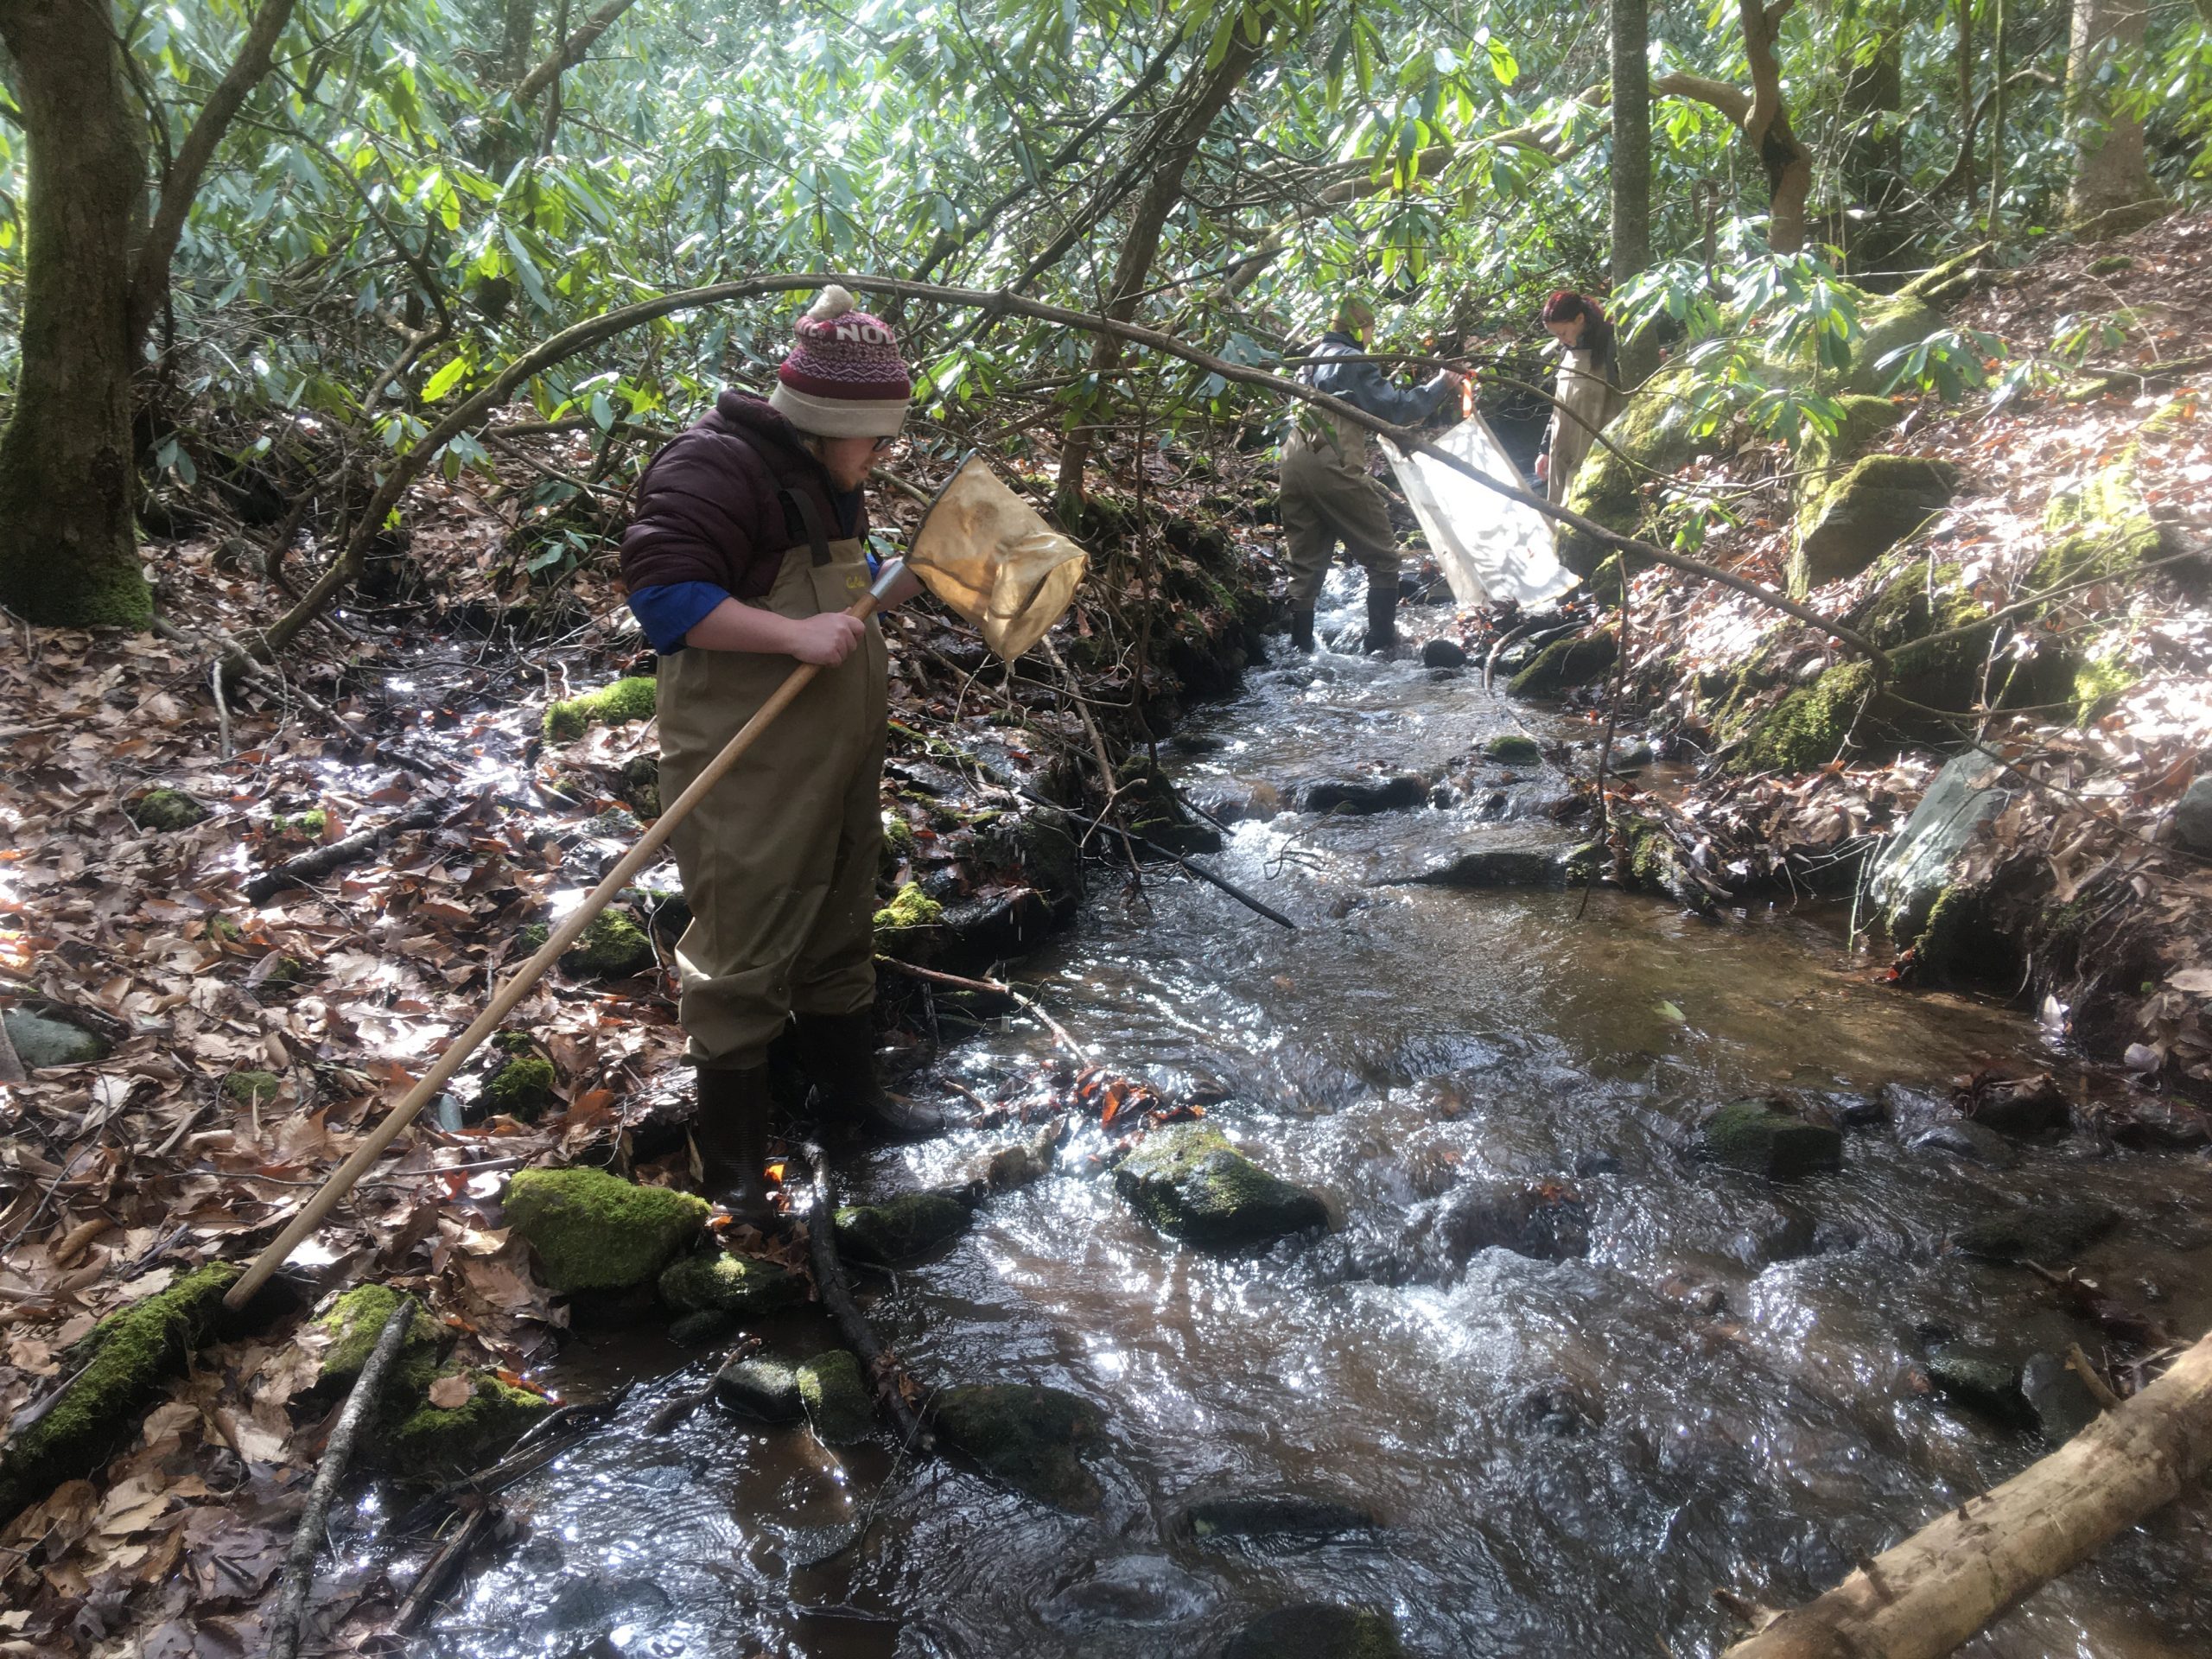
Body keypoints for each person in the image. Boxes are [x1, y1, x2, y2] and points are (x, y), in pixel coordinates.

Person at [619, 285, 915, 1221]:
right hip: (744, 759)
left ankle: (852, 1107)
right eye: (875, 439)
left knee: (839, 915)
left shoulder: (831, 476)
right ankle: (736, 1172)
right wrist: (790, 638)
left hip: (835, 752)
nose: (882, 456)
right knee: (743, 943)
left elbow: (846, 585)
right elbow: (664, 598)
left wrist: (890, 585)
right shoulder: (712, 467)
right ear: (829, 422)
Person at [1280, 296, 1459, 653]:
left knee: (1304, 566)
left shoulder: (1311, 361)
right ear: (1360, 329)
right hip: (1331, 464)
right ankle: (1381, 645)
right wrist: (1442, 384)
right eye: (1370, 328)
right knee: (1384, 558)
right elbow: (1395, 408)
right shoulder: (1352, 361)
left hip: (1292, 463)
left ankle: (1299, 654)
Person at [1533, 289, 1624, 508]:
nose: (1561, 340)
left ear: (1580, 319)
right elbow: (1560, 406)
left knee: (1576, 514)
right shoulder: (1568, 351)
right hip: (1561, 453)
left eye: (1563, 333)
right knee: (1557, 515)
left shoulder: (1612, 346)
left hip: (1593, 454)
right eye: (1555, 336)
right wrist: (1544, 450)